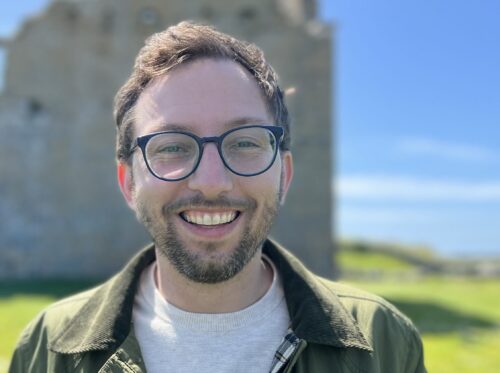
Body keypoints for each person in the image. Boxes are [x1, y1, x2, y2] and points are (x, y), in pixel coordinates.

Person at [9, 21, 426, 373]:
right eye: (172, 146)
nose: (212, 182)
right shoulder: (48, 348)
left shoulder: (383, 342)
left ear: (285, 173)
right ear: (128, 183)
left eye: (245, 142)